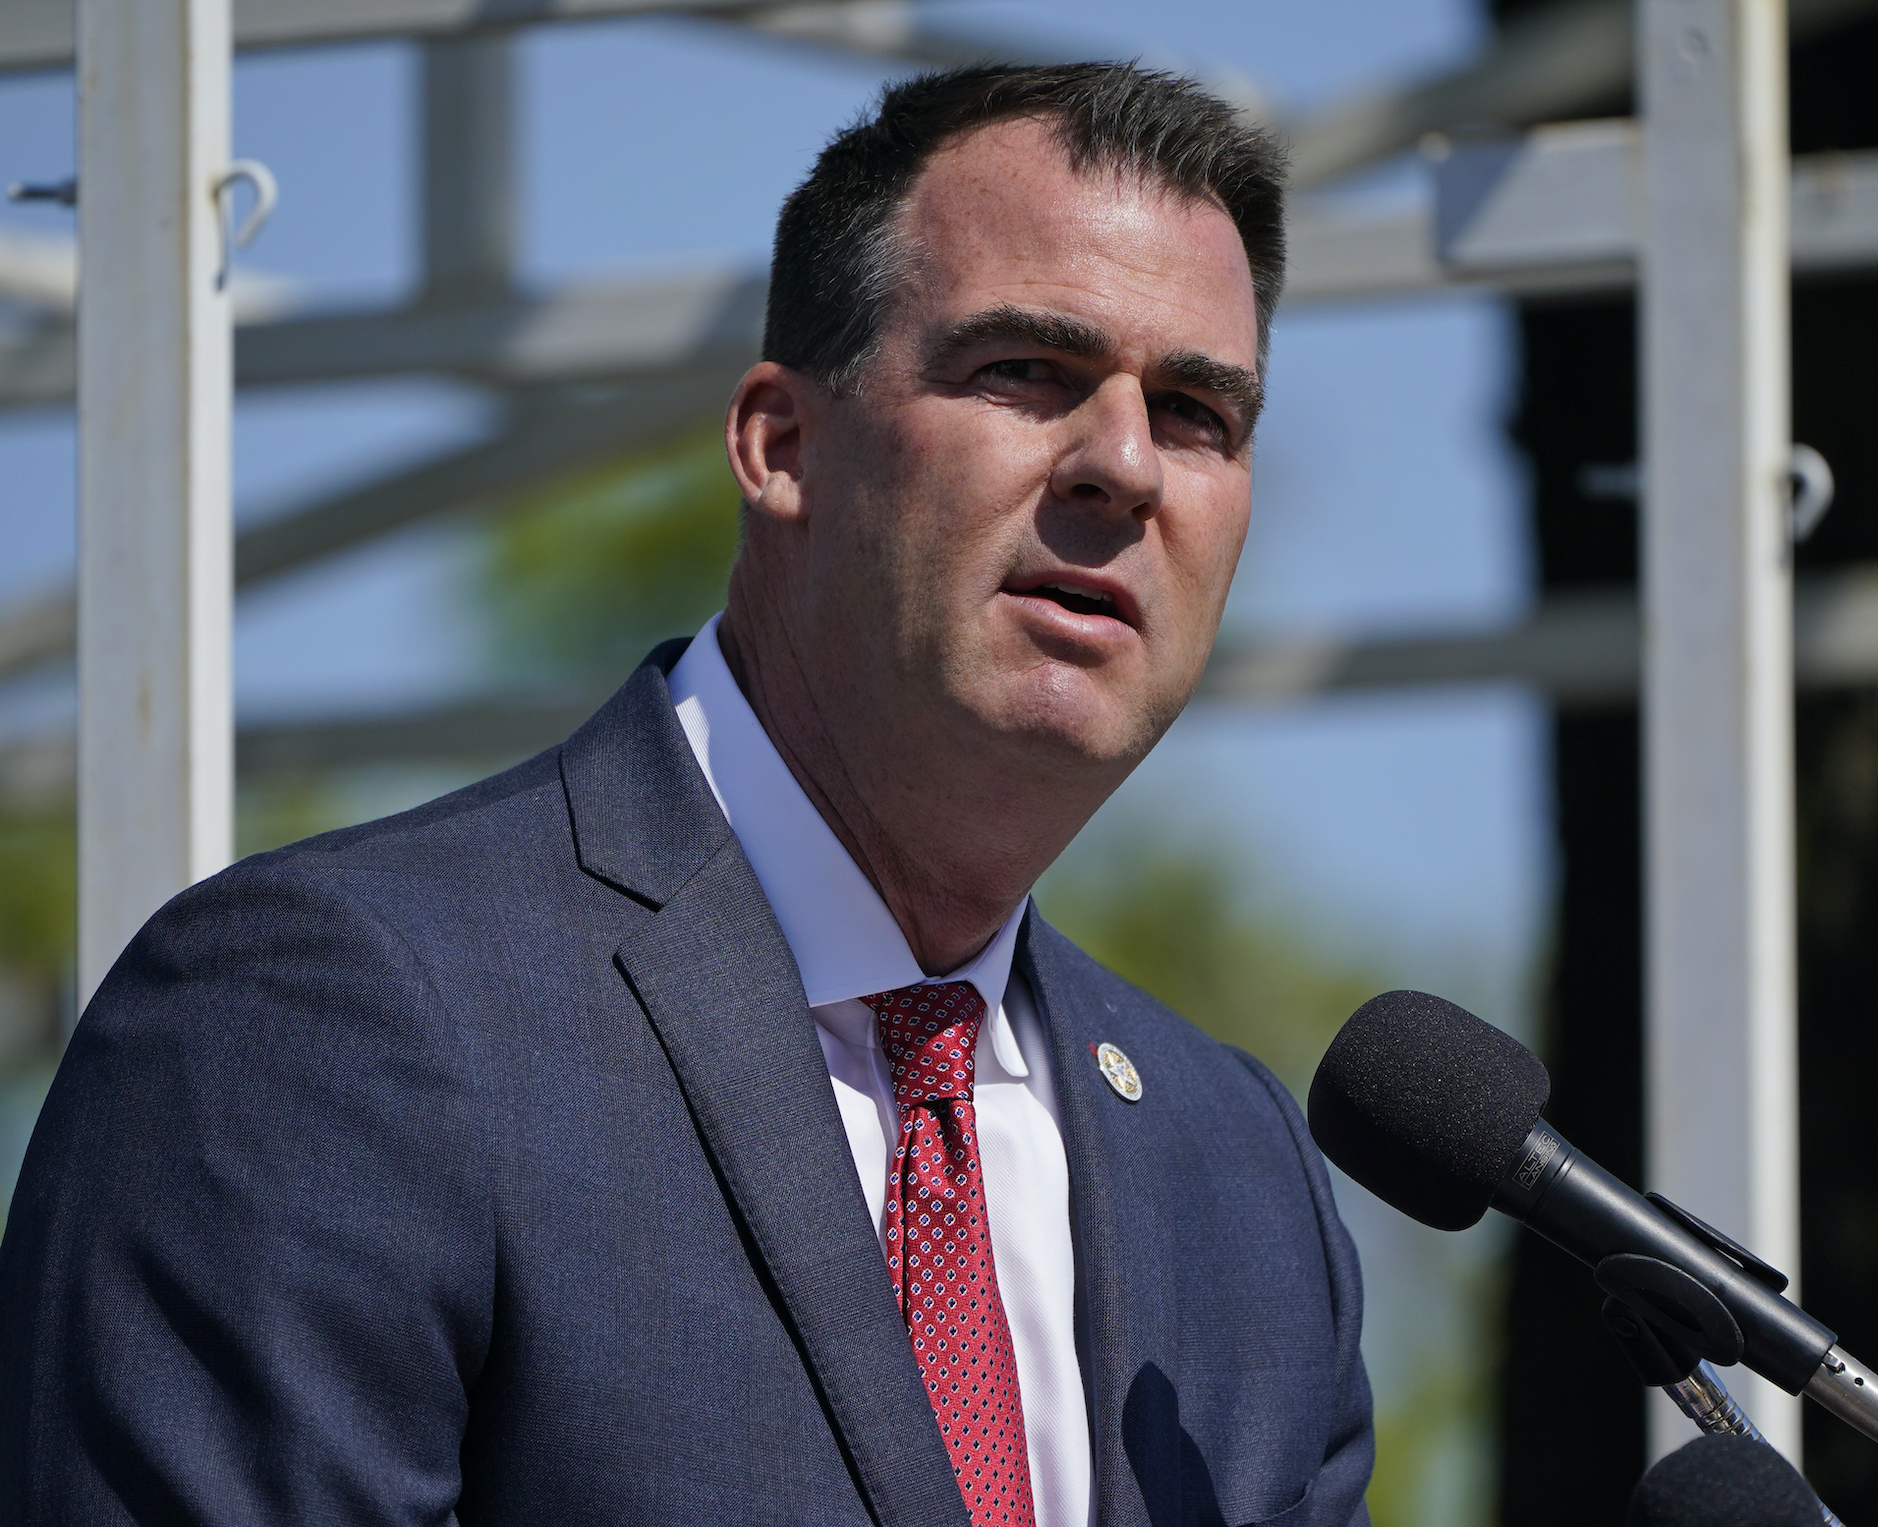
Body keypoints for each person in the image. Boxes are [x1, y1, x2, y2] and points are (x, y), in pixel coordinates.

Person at [0, 62, 1374, 1527]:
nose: (1124, 465)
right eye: (1025, 370)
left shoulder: (1241, 1176)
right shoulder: (327, 1021)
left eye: (1195, 411)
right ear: (780, 446)